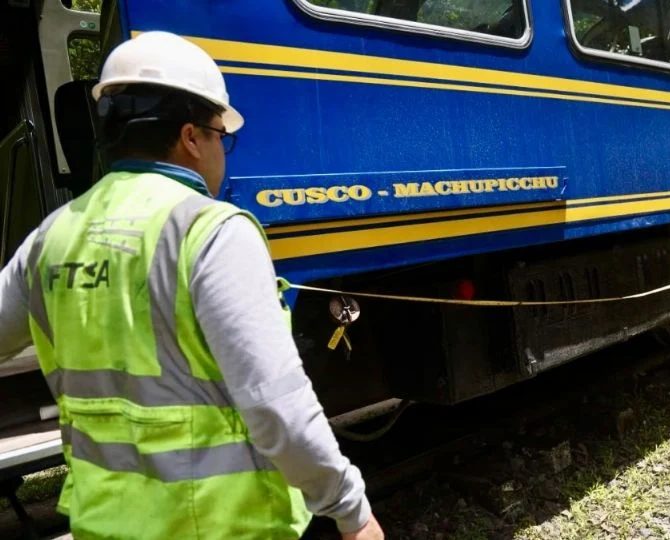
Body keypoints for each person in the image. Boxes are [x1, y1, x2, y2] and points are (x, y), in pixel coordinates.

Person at [0, 32, 383, 539]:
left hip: (105, 524)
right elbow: (275, 405)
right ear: (191, 137)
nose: (222, 150)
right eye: (221, 135)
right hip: (218, 526)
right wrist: (351, 509)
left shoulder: (51, 237)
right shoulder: (211, 232)